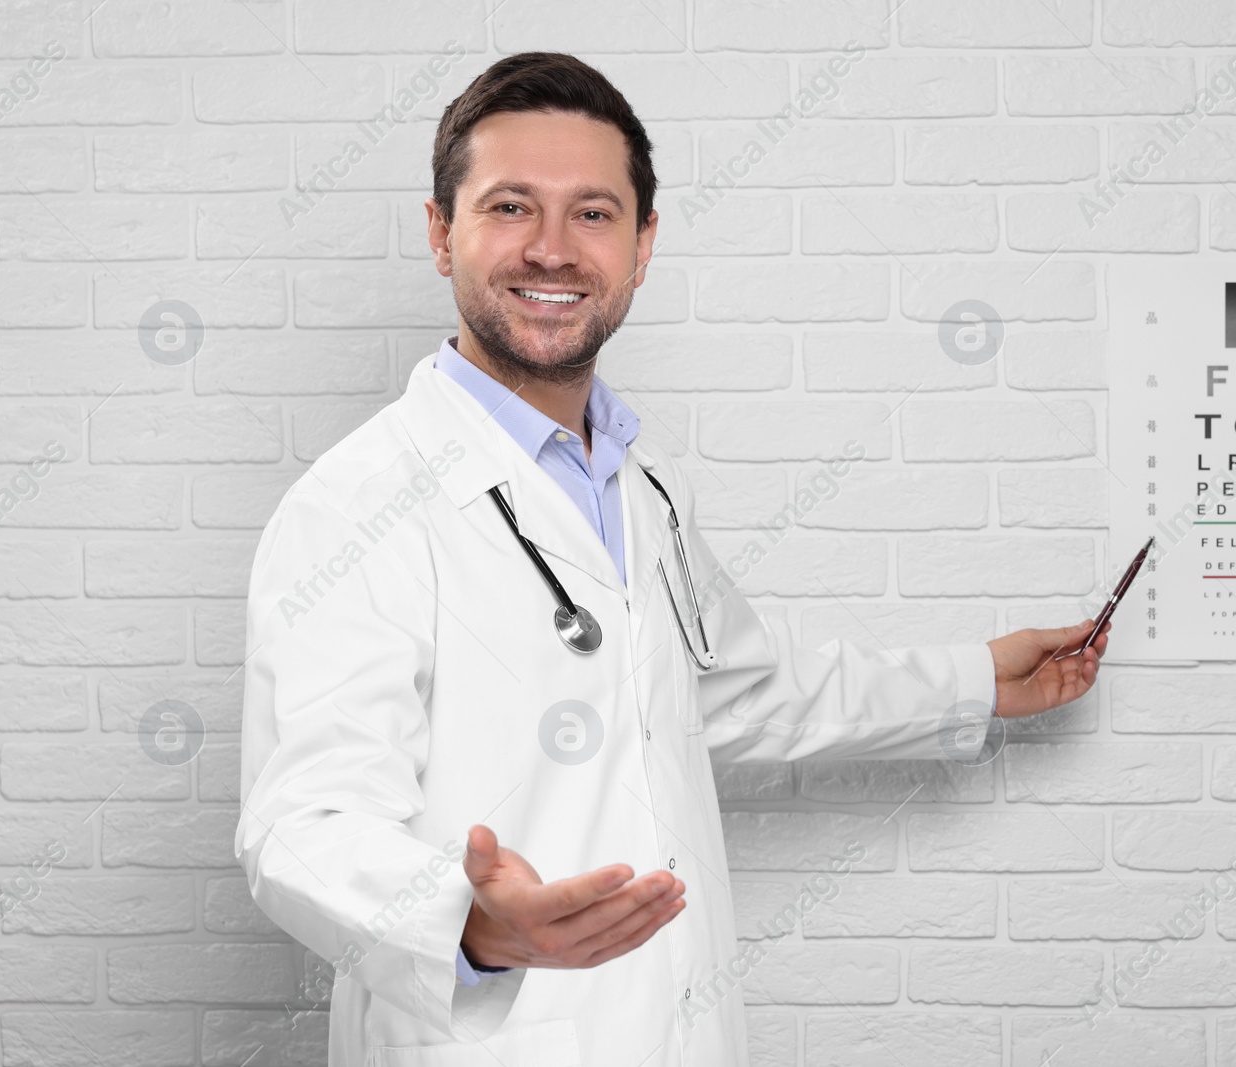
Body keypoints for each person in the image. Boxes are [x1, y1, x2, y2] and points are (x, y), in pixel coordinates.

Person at [236, 50, 1109, 1067]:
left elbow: (729, 688)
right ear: (442, 233)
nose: (552, 250)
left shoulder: (637, 483)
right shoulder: (361, 503)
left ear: (643, 244)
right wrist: (467, 923)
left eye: (594, 213)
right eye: (511, 206)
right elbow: (301, 822)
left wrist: (972, 680)